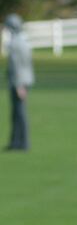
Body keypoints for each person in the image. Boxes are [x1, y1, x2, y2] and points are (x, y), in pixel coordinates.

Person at [4, 14, 34, 151]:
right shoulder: (22, 41)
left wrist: (19, 85)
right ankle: (16, 142)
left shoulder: (16, 43)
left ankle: (23, 142)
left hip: (19, 82)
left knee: (20, 113)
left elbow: (18, 66)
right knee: (16, 113)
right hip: (22, 81)